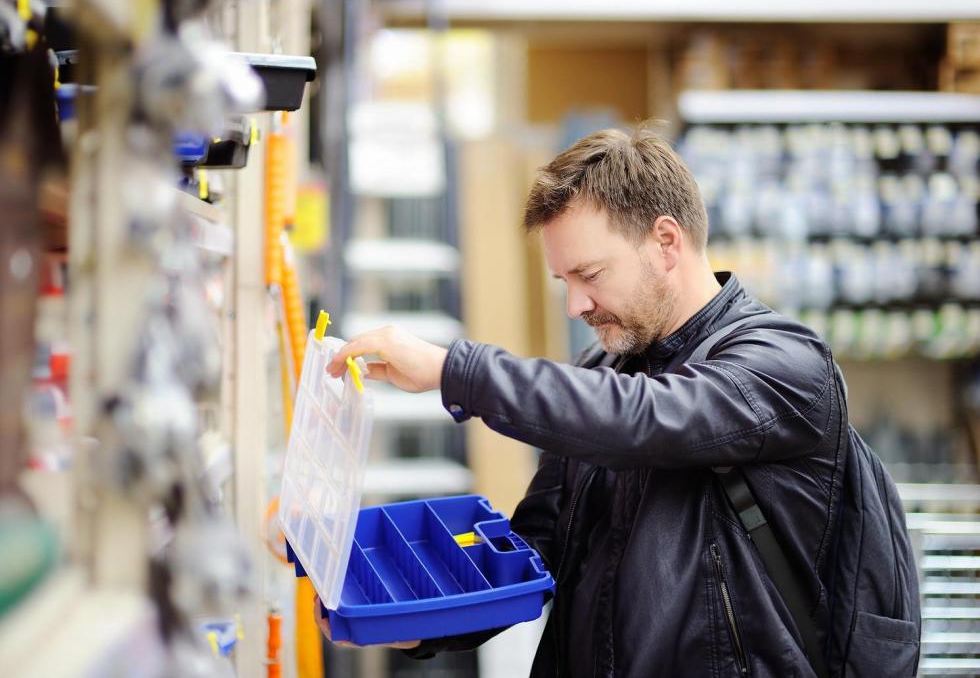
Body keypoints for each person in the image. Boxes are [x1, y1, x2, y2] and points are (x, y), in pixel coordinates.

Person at [316, 126, 920, 676]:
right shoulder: (601, 371)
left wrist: (456, 370)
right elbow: (532, 559)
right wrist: (409, 621)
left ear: (665, 242)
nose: (575, 306)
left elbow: (645, 418)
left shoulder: (783, 364)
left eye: (591, 275)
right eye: (564, 282)